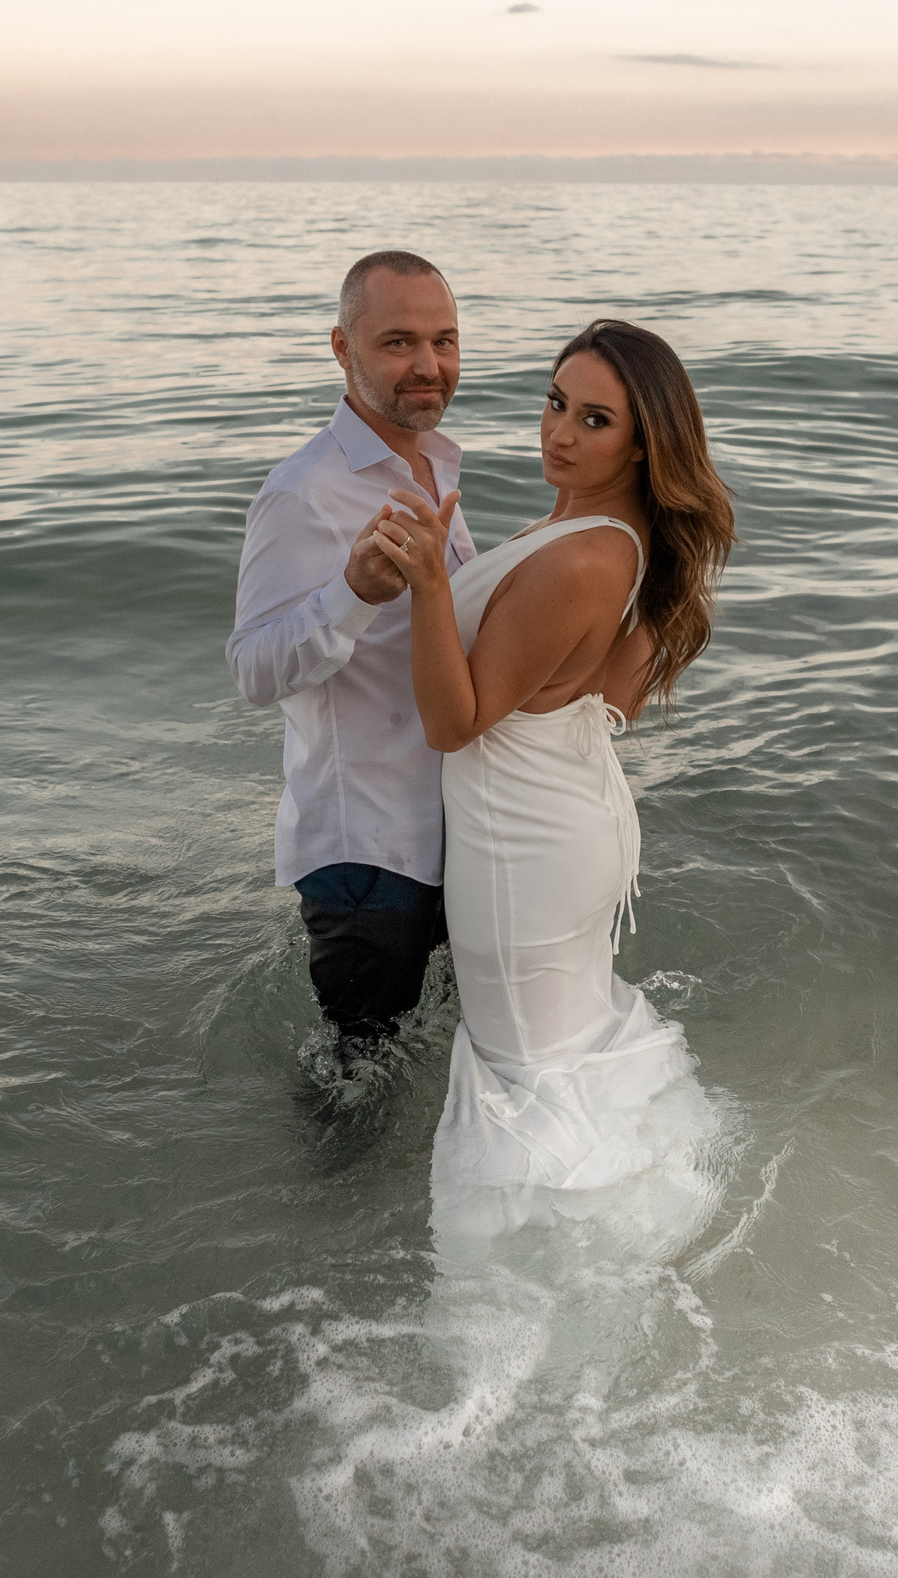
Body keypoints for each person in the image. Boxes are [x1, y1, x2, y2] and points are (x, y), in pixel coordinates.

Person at [367, 318, 737, 1246]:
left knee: (521, 1057)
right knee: (561, 1033)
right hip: (572, 812)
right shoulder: (618, 534)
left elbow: (455, 722)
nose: (559, 432)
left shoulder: (582, 554)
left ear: (645, 442)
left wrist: (427, 584)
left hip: (522, 839)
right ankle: (629, 1207)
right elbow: (610, 700)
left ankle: (551, 1259)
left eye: (595, 419)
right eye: (555, 401)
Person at [228, 251, 477, 1075]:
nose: (427, 365)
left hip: (442, 830)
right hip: (363, 853)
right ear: (343, 347)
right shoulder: (303, 492)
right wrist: (351, 591)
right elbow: (254, 670)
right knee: (354, 1082)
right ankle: (315, 1205)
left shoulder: (434, 463)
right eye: (398, 342)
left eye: (443, 340)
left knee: (422, 1058)